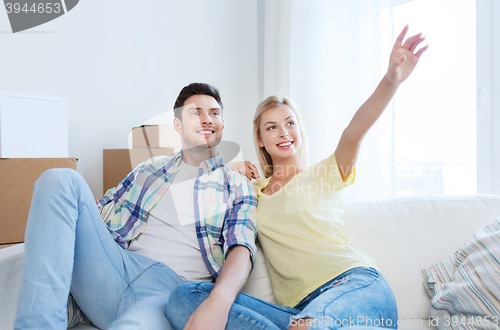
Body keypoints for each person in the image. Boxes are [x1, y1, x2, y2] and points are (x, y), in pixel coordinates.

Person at [167, 25, 428, 330]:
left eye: (290, 123)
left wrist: (390, 80)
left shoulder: (324, 173)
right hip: (298, 312)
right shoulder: (252, 192)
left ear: (300, 130)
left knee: (310, 325)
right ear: (260, 139)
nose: (284, 132)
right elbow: (191, 198)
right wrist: (225, 170)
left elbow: (354, 133)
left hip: (354, 287)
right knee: (185, 298)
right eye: (272, 127)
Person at [14, 83, 259, 330]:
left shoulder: (236, 185)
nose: (207, 119)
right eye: (196, 112)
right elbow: (97, 211)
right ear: (178, 125)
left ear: (222, 125)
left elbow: (242, 248)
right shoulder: (149, 169)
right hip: (114, 266)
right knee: (60, 180)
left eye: (214, 113)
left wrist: (219, 299)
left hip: (169, 291)